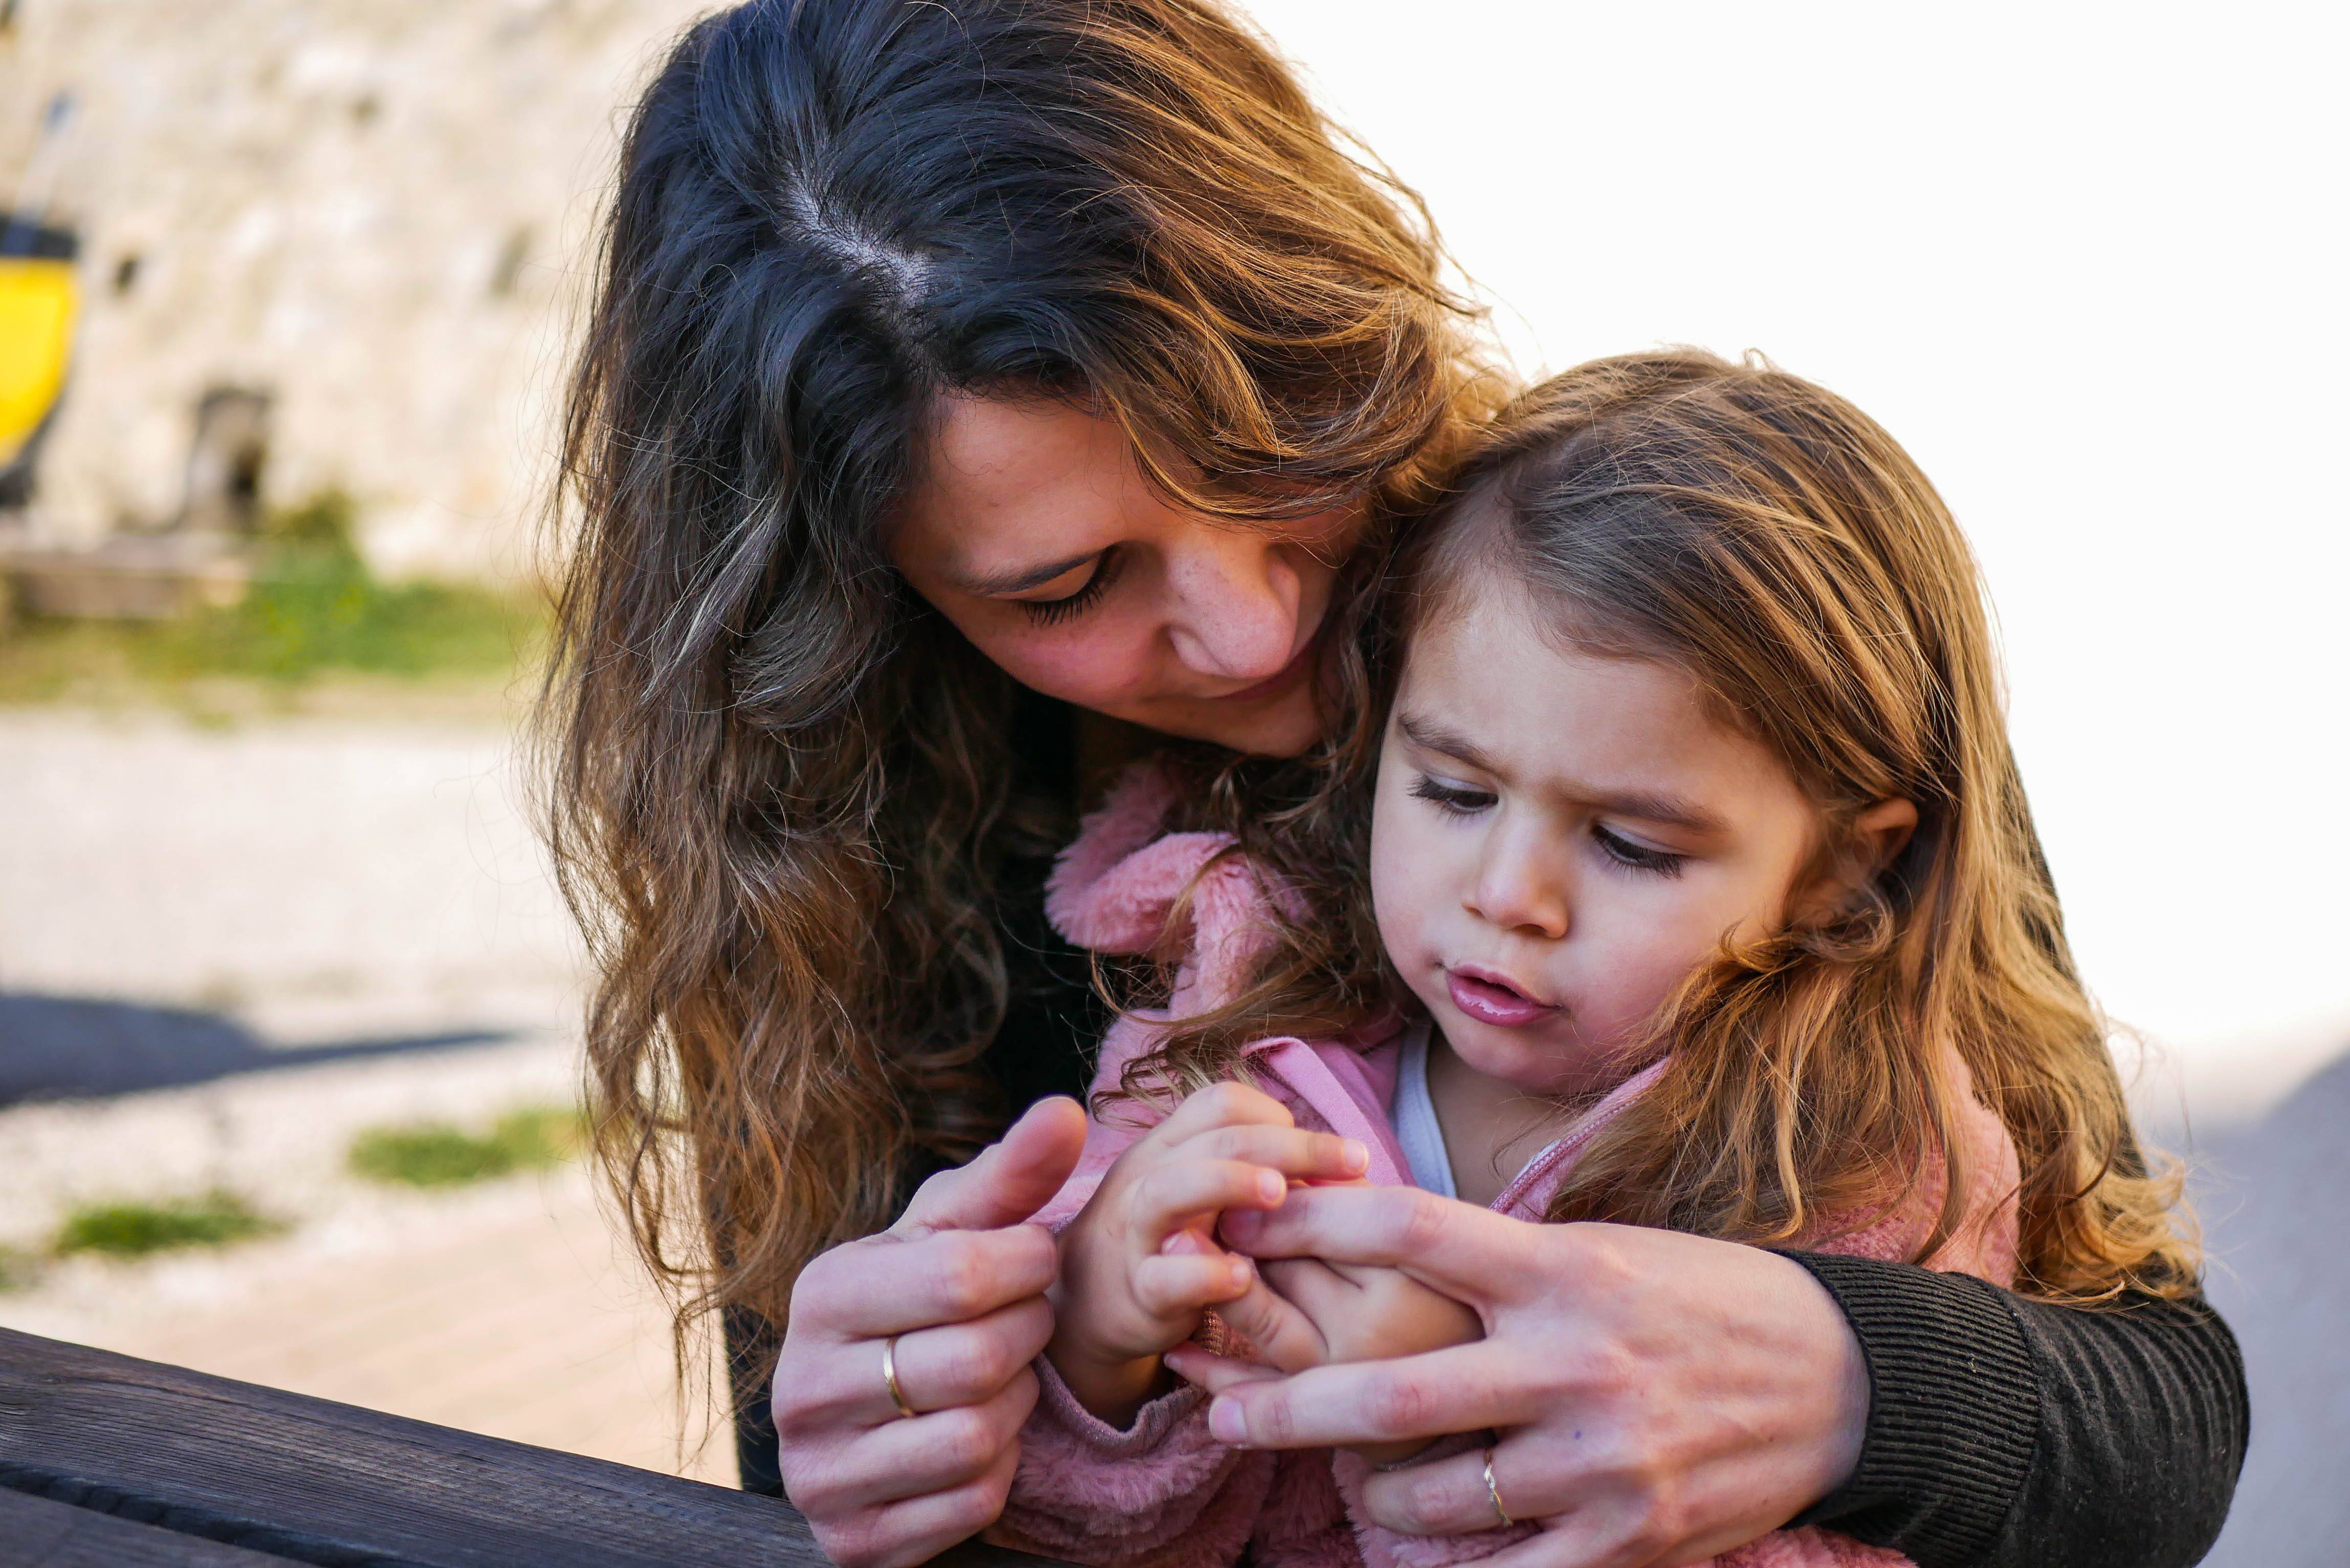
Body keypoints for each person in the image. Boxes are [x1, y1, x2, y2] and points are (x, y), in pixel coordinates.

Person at [541, 4, 2247, 1566]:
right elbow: (839, 1481)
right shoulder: (832, 844)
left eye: (1268, 442)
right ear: (856, 606)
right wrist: (905, 1429)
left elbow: (2166, 1418)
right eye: (1066, 590)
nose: (1249, 619)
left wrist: (1859, 1378)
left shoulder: (1700, 645)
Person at [987, 352, 2193, 1568]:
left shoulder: (1862, 1158)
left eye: (1631, 843)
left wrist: (1452, 1418)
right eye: (1453, 789)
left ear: (1833, 867)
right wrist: (1097, 1336)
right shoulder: (1232, 1004)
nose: (1509, 895)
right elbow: (1068, 1522)